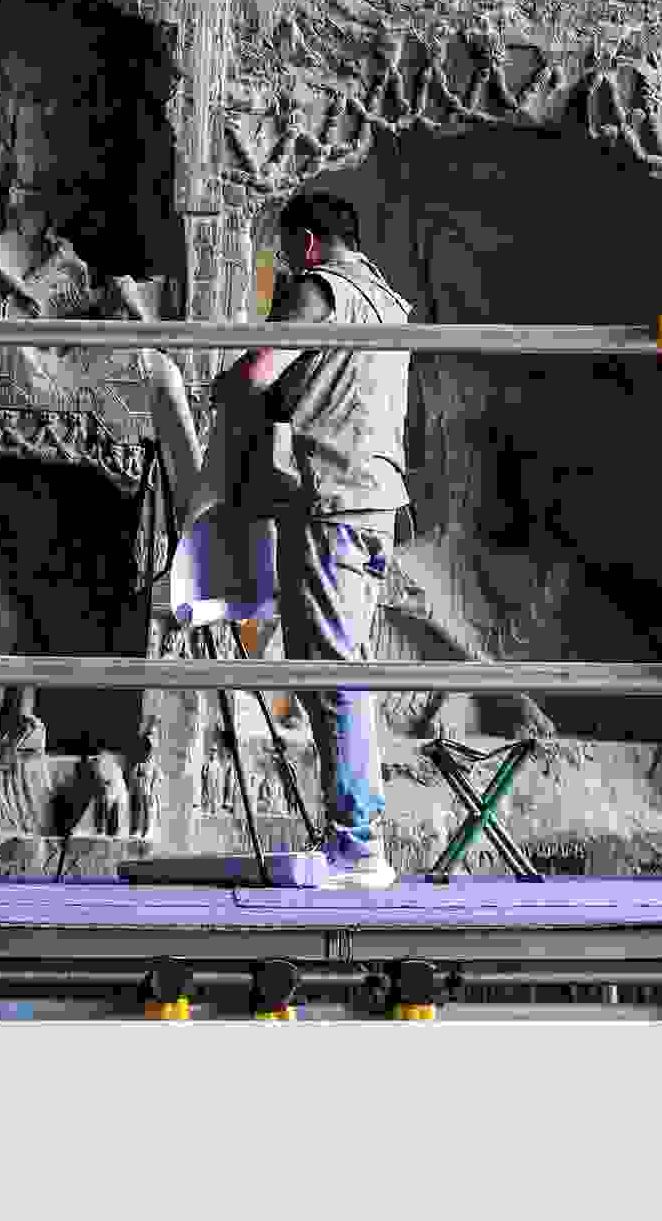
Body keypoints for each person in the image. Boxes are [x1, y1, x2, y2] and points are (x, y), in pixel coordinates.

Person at [122, 190, 416, 889]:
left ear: (308, 243)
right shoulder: (389, 304)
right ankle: (356, 835)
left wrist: (218, 390)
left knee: (331, 672)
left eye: (286, 252)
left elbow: (259, 370)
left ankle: (358, 845)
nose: (285, 267)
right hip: (377, 501)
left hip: (330, 498)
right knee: (348, 668)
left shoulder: (321, 289)